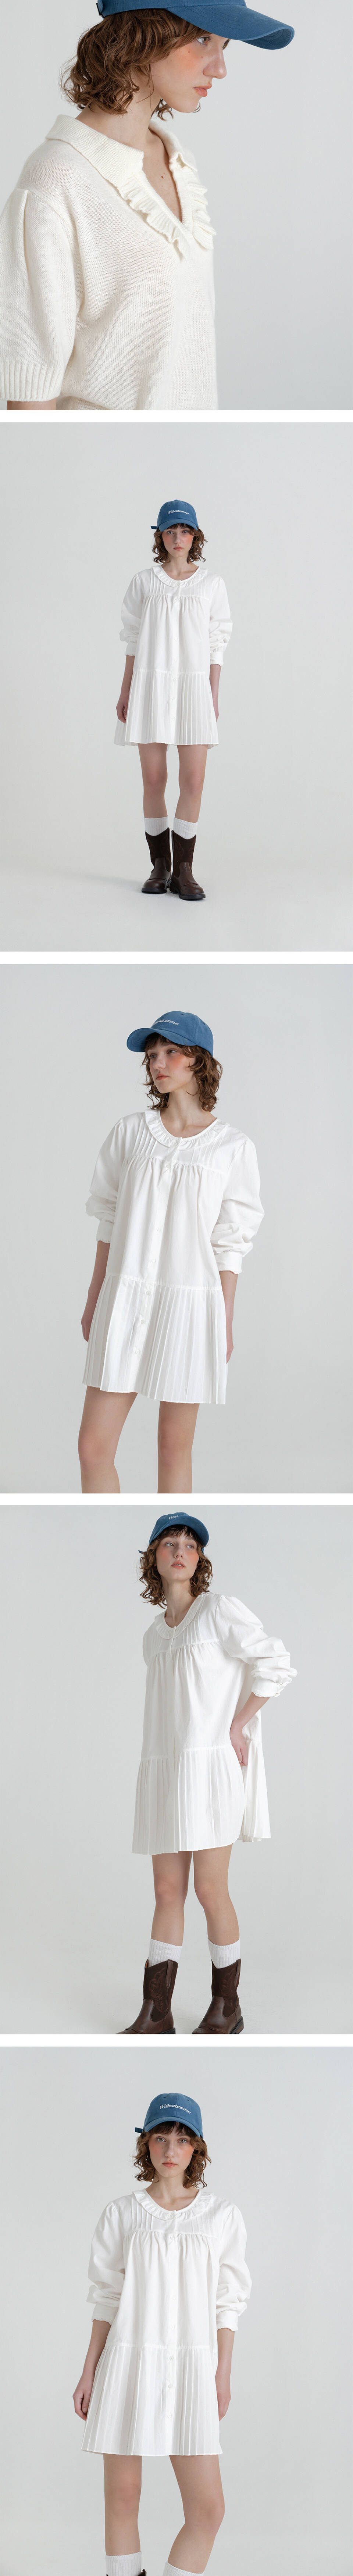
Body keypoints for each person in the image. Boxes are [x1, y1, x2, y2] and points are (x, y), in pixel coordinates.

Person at [0, 0, 293, 414]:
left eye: (225, 45)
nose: (220, 68)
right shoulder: (54, 186)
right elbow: (31, 404)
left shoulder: (177, 160)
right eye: (203, 39)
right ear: (142, 36)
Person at [124, 1512, 296, 2034]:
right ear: (154, 1558)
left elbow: (276, 1662)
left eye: (190, 1545)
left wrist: (240, 1724)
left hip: (209, 1772)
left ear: (199, 1559)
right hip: (166, 1771)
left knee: (210, 1889)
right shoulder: (154, 1637)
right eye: (169, 1543)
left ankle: (227, 2006)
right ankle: (156, 2012)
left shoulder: (218, 1611)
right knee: (166, 1892)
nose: (180, 1551)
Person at [78, 1009, 263, 1494]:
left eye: (171, 1052)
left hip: (191, 1306)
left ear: (199, 1059)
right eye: (152, 1055)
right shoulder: (130, 1133)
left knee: (173, 1447)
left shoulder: (232, 1148)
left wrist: (224, 1320)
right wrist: (95, 1298)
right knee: (94, 1449)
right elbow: (109, 1219)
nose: (158, 1063)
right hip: (125, 1299)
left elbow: (230, 1242)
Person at [73, 2089, 251, 2576]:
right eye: (160, 2138)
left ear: (197, 2148)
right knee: (123, 2495)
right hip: (128, 2363)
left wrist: (222, 2372)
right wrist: (89, 2372)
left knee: (208, 2510)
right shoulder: (122, 2213)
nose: (171, 2150)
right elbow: (107, 2298)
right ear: (145, 2145)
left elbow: (228, 2302)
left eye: (182, 2139)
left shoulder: (222, 2217)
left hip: (193, 2369)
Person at [115, 497, 232, 901]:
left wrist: (212, 695)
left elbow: (217, 643)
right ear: (160, 536)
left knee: (193, 780)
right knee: (154, 779)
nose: (177, 538)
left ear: (195, 536)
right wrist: (126, 689)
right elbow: (133, 639)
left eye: (185, 531)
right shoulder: (144, 582)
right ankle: (160, 867)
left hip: (193, 688)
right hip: (151, 685)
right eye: (170, 531)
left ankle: (184, 870)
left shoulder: (212, 585)